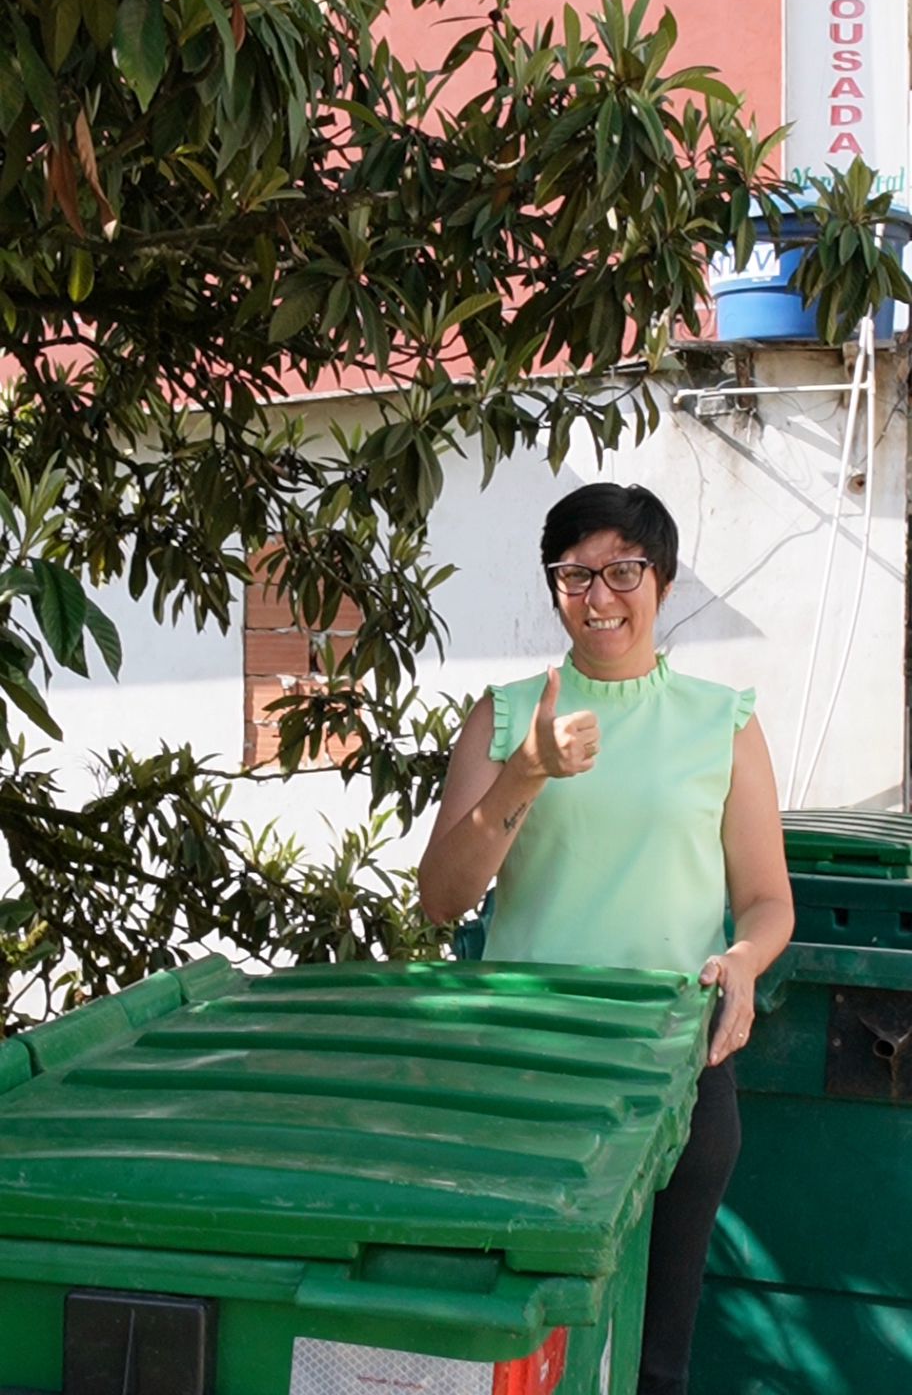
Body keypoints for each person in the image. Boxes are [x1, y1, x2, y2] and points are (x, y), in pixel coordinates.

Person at [418, 481, 794, 1395]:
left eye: (623, 570)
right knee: (511, 1348)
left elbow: (765, 898)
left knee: (652, 1358)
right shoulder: (507, 717)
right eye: (575, 573)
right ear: (554, 588)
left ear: (661, 582)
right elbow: (439, 899)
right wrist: (527, 773)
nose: (600, 596)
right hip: (522, 1072)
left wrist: (744, 959)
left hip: (676, 1067)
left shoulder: (725, 721)